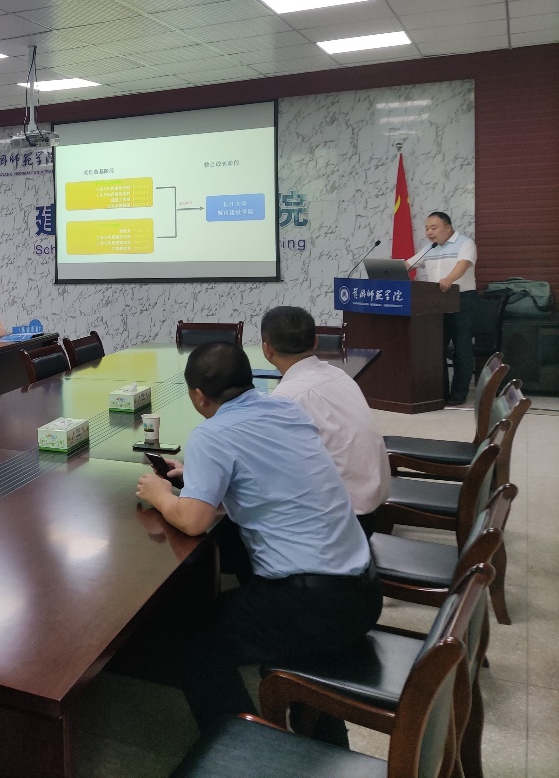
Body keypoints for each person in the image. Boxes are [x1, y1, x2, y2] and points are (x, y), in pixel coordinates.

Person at [135, 342, 380, 747]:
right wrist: (199, 479)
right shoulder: (287, 409)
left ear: (198, 396)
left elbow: (193, 522)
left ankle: (246, 754)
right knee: (263, 607)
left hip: (313, 606)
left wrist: (161, 495)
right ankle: (321, 739)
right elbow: (268, 477)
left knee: (193, 647)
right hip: (365, 590)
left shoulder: (212, 434)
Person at [261, 307, 390, 535]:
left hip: (341, 521)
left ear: (267, 349)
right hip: (371, 504)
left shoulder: (287, 398)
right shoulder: (339, 374)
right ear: (315, 342)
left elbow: (270, 468)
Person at [407, 212, 478, 405]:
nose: (429, 232)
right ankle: (439, 392)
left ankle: (459, 394)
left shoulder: (465, 243)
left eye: (434, 228)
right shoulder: (429, 248)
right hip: (436, 303)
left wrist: (449, 279)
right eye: (426, 228)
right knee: (435, 348)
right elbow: (408, 264)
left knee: (461, 349)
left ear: (447, 227)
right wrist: (388, 270)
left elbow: (463, 265)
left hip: (461, 300)